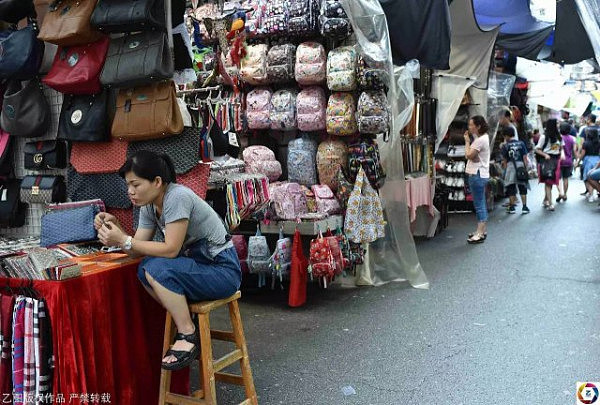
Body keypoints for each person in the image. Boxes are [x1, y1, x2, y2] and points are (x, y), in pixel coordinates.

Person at [94, 150, 242, 371]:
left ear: (157, 181)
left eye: (135, 185)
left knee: (156, 267)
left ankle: (188, 335)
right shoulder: (149, 205)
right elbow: (137, 250)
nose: (130, 192)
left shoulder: (177, 197)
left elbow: (171, 250)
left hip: (222, 270)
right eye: (128, 186)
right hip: (199, 267)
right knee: (145, 268)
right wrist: (117, 229)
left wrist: (124, 240)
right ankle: (184, 321)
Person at [464, 115, 490, 244]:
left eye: (471, 125)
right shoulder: (482, 138)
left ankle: (480, 233)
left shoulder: (479, 140)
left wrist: (467, 142)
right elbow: (473, 156)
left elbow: (469, 155)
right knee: (481, 203)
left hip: (477, 174)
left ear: (478, 126)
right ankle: (482, 230)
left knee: (479, 204)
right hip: (480, 173)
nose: (469, 127)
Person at [500, 127, 530, 214]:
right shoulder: (521, 143)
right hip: (521, 166)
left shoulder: (505, 146)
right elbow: (525, 157)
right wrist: (526, 168)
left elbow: (504, 160)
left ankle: (512, 207)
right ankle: (524, 207)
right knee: (522, 187)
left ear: (506, 136)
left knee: (511, 188)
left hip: (510, 167)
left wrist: (505, 170)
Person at [535, 119, 563, 211]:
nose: (559, 125)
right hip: (547, 160)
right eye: (557, 123)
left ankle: (545, 199)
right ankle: (550, 203)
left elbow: (561, 147)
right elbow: (537, 149)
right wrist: (545, 155)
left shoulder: (559, 136)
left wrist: (562, 154)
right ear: (553, 125)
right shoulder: (544, 137)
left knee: (551, 182)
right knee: (548, 182)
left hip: (556, 160)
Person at [556, 121, 576, 202]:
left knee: (558, 178)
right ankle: (565, 194)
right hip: (568, 161)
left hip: (559, 161)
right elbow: (575, 150)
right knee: (566, 178)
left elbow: (555, 149)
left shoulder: (558, 138)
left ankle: (560, 193)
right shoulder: (572, 138)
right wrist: (576, 160)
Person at [579, 128, 600, 201]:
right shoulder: (599, 142)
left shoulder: (585, 143)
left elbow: (582, 154)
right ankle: (597, 191)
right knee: (596, 177)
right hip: (597, 159)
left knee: (588, 177)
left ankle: (591, 194)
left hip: (588, 160)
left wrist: (578, 161)